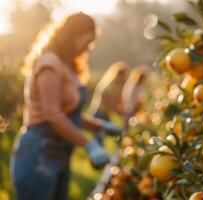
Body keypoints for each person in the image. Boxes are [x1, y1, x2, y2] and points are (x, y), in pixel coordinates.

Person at [11, 12, 121, 200]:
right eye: (86, 41)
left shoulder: (67, 67)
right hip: (39, 153)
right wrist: (89, 145)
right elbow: (52, 114)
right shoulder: (49, 63)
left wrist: (101, 127)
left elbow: (69, 115)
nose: (87, 47)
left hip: (59, 153)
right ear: (72, 35)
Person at [88, 61, 129, 144]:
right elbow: (111, 106)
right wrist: (124, 113)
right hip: (99, 114)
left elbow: (120, 102)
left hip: (105, 114)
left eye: (122, 76)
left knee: (110, 136)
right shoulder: (108, 87)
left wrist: (125, 111)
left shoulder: (118, 87)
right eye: (119, 75)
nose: (120, 78)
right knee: (99, 138)